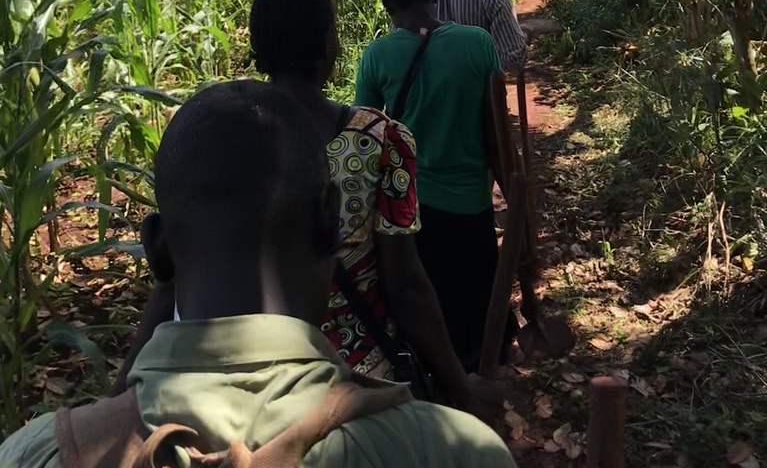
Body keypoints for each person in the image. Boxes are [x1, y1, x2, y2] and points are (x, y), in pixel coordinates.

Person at [0, 81, 515, 468]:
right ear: (330, 223)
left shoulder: (36, 453)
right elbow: (406, 281)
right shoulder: (450, 450)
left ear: (157, 250)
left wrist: (113, 400)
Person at [249, 0, 488, 415]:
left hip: (260, 382)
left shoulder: (229, 142)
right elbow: (407, 285)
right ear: (326, 47)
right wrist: (462, 389)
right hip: (362, 378)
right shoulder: (378, 141)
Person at [355, 0, 508, 372]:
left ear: (388, 6)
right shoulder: (477, 43)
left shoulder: (376, 56)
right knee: (476, 307)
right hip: (471, 205)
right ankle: (482, 381)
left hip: (409, 213)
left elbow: (365, 141)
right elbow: (496, 136)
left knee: (425, 305)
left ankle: (435, 383)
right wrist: (518, 204)